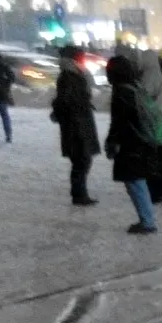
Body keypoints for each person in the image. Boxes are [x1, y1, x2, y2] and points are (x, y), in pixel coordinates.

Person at [104, 56, 159, 235]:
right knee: (137, 181)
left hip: (131, 143)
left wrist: (112, 142)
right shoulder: (135, 87)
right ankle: (147, 219)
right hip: (142, 140)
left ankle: (147, 222)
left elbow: (119, 121)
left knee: (135, 182)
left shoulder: (121, 92)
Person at [51, 46, 101, 205]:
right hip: (76, 123)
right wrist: (81, 106)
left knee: (82, 159)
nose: (83, 58)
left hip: (79, 121)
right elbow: (67, 101)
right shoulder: (69, 75)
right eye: (80, 55)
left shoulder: (76, 73)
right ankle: (79, 194)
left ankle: (79, 193)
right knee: (81, 159)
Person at [137, 50, 162, 202]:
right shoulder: (161, 77)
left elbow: (143, 102)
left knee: (151, 160)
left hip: (150, 124)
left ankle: (155, 193)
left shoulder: (145, 79)